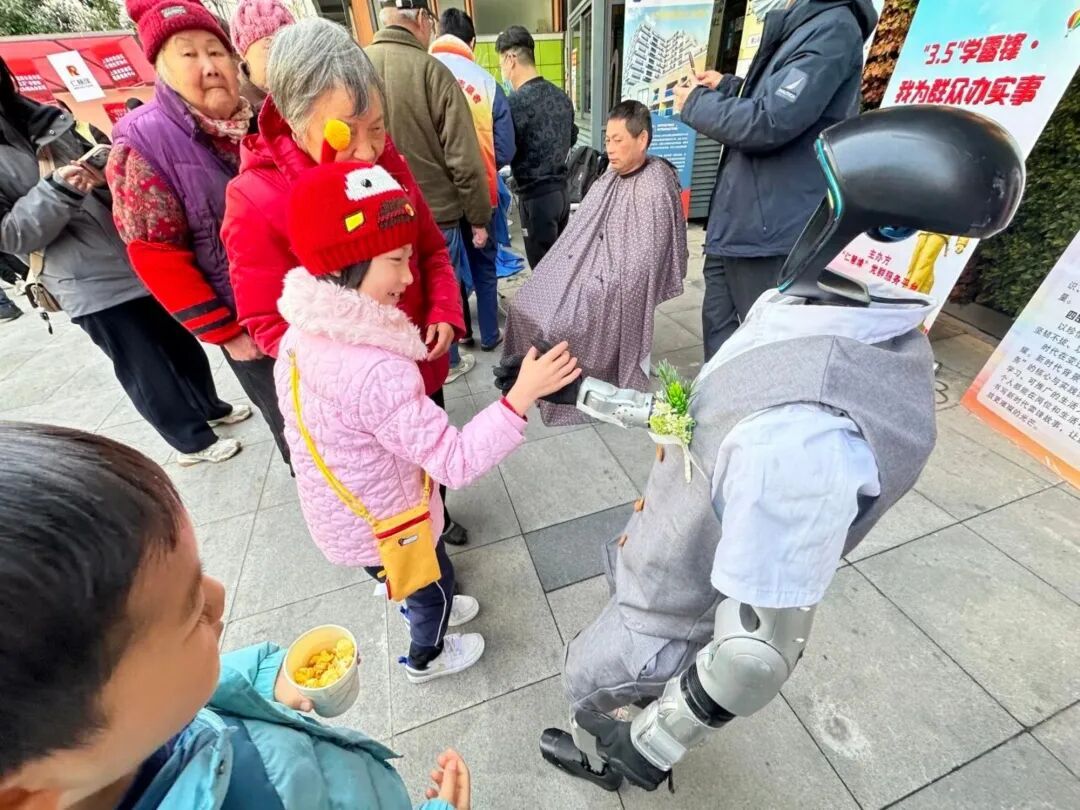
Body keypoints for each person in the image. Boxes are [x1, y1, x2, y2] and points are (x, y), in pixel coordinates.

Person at [494, 106, 1025, 791]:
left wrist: (653, 744)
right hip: (665, 566)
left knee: (584, 677)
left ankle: (604, 758)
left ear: (873, 223)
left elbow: (756, 648)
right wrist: (581, 393)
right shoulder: (818, 320)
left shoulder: (802, 436)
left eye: (821, 195)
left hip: (666, 619)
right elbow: (704, 421)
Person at [0, 422, 472, 809]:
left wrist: (269, 680)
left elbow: (206, 694)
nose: (219, 596)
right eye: (189, 613)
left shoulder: (139, 725)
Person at [276, 160, 582, 683]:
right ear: (347, 263)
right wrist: (521, 395)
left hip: (348, 515)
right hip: (391, 527)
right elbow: (455, 461)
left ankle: (414, 594)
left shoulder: (302, 334)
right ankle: (427, 655)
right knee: (432, 589)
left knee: (416, 581)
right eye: (395, 260)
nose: (408, 276)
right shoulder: (373, 370)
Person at [224, 18, 471, 547]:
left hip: (417, 367)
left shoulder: (387, 164)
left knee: (431, 465)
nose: (366, 150)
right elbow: (266, 321)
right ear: (295, 123)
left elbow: (430, 249)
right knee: (387, 509)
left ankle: (437, 517)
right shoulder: (256, 198)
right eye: (345, 132)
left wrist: (444, 311)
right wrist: (355, 371)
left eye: (376, 127)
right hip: (354, 407)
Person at [0, 54, 250, 465]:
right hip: (85, 281)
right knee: (145, 366)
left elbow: (101, 177)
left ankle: (209, 407)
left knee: (182, 344)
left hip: (133, 256)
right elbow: (9, 236)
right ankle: (191, 442)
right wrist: (57, 191)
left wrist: (103, 174)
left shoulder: (41, 117)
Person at [107, 0, 290, 467]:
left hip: (311, 302)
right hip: (251, 326)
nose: (209, 66)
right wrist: (227, 333)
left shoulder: (264, 116)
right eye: (188, 54)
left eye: (216, 51)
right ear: (161, 68)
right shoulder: (142, 144)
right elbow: (155, 255)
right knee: (302, 433)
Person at [673, 0, 878, 360]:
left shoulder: (832, 29)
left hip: (770, 227)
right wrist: (728, 86)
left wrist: (696, 103)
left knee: (763, 346)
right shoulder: (804, 25)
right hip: (740, 220)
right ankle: (719, 395)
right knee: (720, 335)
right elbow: (776, 100)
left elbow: (771, 121)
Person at [502, 100, 687, 426]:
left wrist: (602, 278)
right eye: (607, 140)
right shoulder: (610, 176)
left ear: (642, 139)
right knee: (524, 303)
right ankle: (525, 373)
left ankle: (562, 387)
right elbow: (580, 232)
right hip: (582, 264)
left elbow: (643, 262)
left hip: (614, 279)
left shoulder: (655, 185)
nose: (609, 149)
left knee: (558, 323)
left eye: (618, 140)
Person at [367, 0, 492, 382]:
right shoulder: (431, 71)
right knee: (441, 285)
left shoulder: (358, 67)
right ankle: (447, 361)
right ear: (422, 19)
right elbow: (464, 159)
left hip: (372, 215)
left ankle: (400, 364)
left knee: (391, 294)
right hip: (437, 211)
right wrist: (479, 218)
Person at [431, 6, 516, 363]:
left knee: (447, 271)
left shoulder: (421, 73)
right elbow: (506, 147)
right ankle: (490, 335)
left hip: (437, 199)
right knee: (484, 264)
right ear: (473, 42)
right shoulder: (486, 82)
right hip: (481, 192)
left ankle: (457, 340)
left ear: (436, 34)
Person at [495, 26, 577, 269]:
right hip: (562, 194)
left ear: (511, 59)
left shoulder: (513, 104)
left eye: (501, 63)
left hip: (535, 198)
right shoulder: (561, 97)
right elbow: (571, 137)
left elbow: (503, 150)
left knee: (542, 271)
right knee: (560, 266)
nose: (502, 70)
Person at [230, 0, 295, 112]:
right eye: (269, 46)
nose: (280, 55)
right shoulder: (237, 107)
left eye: (287, 45)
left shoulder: (307, 90)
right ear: (244, 53)